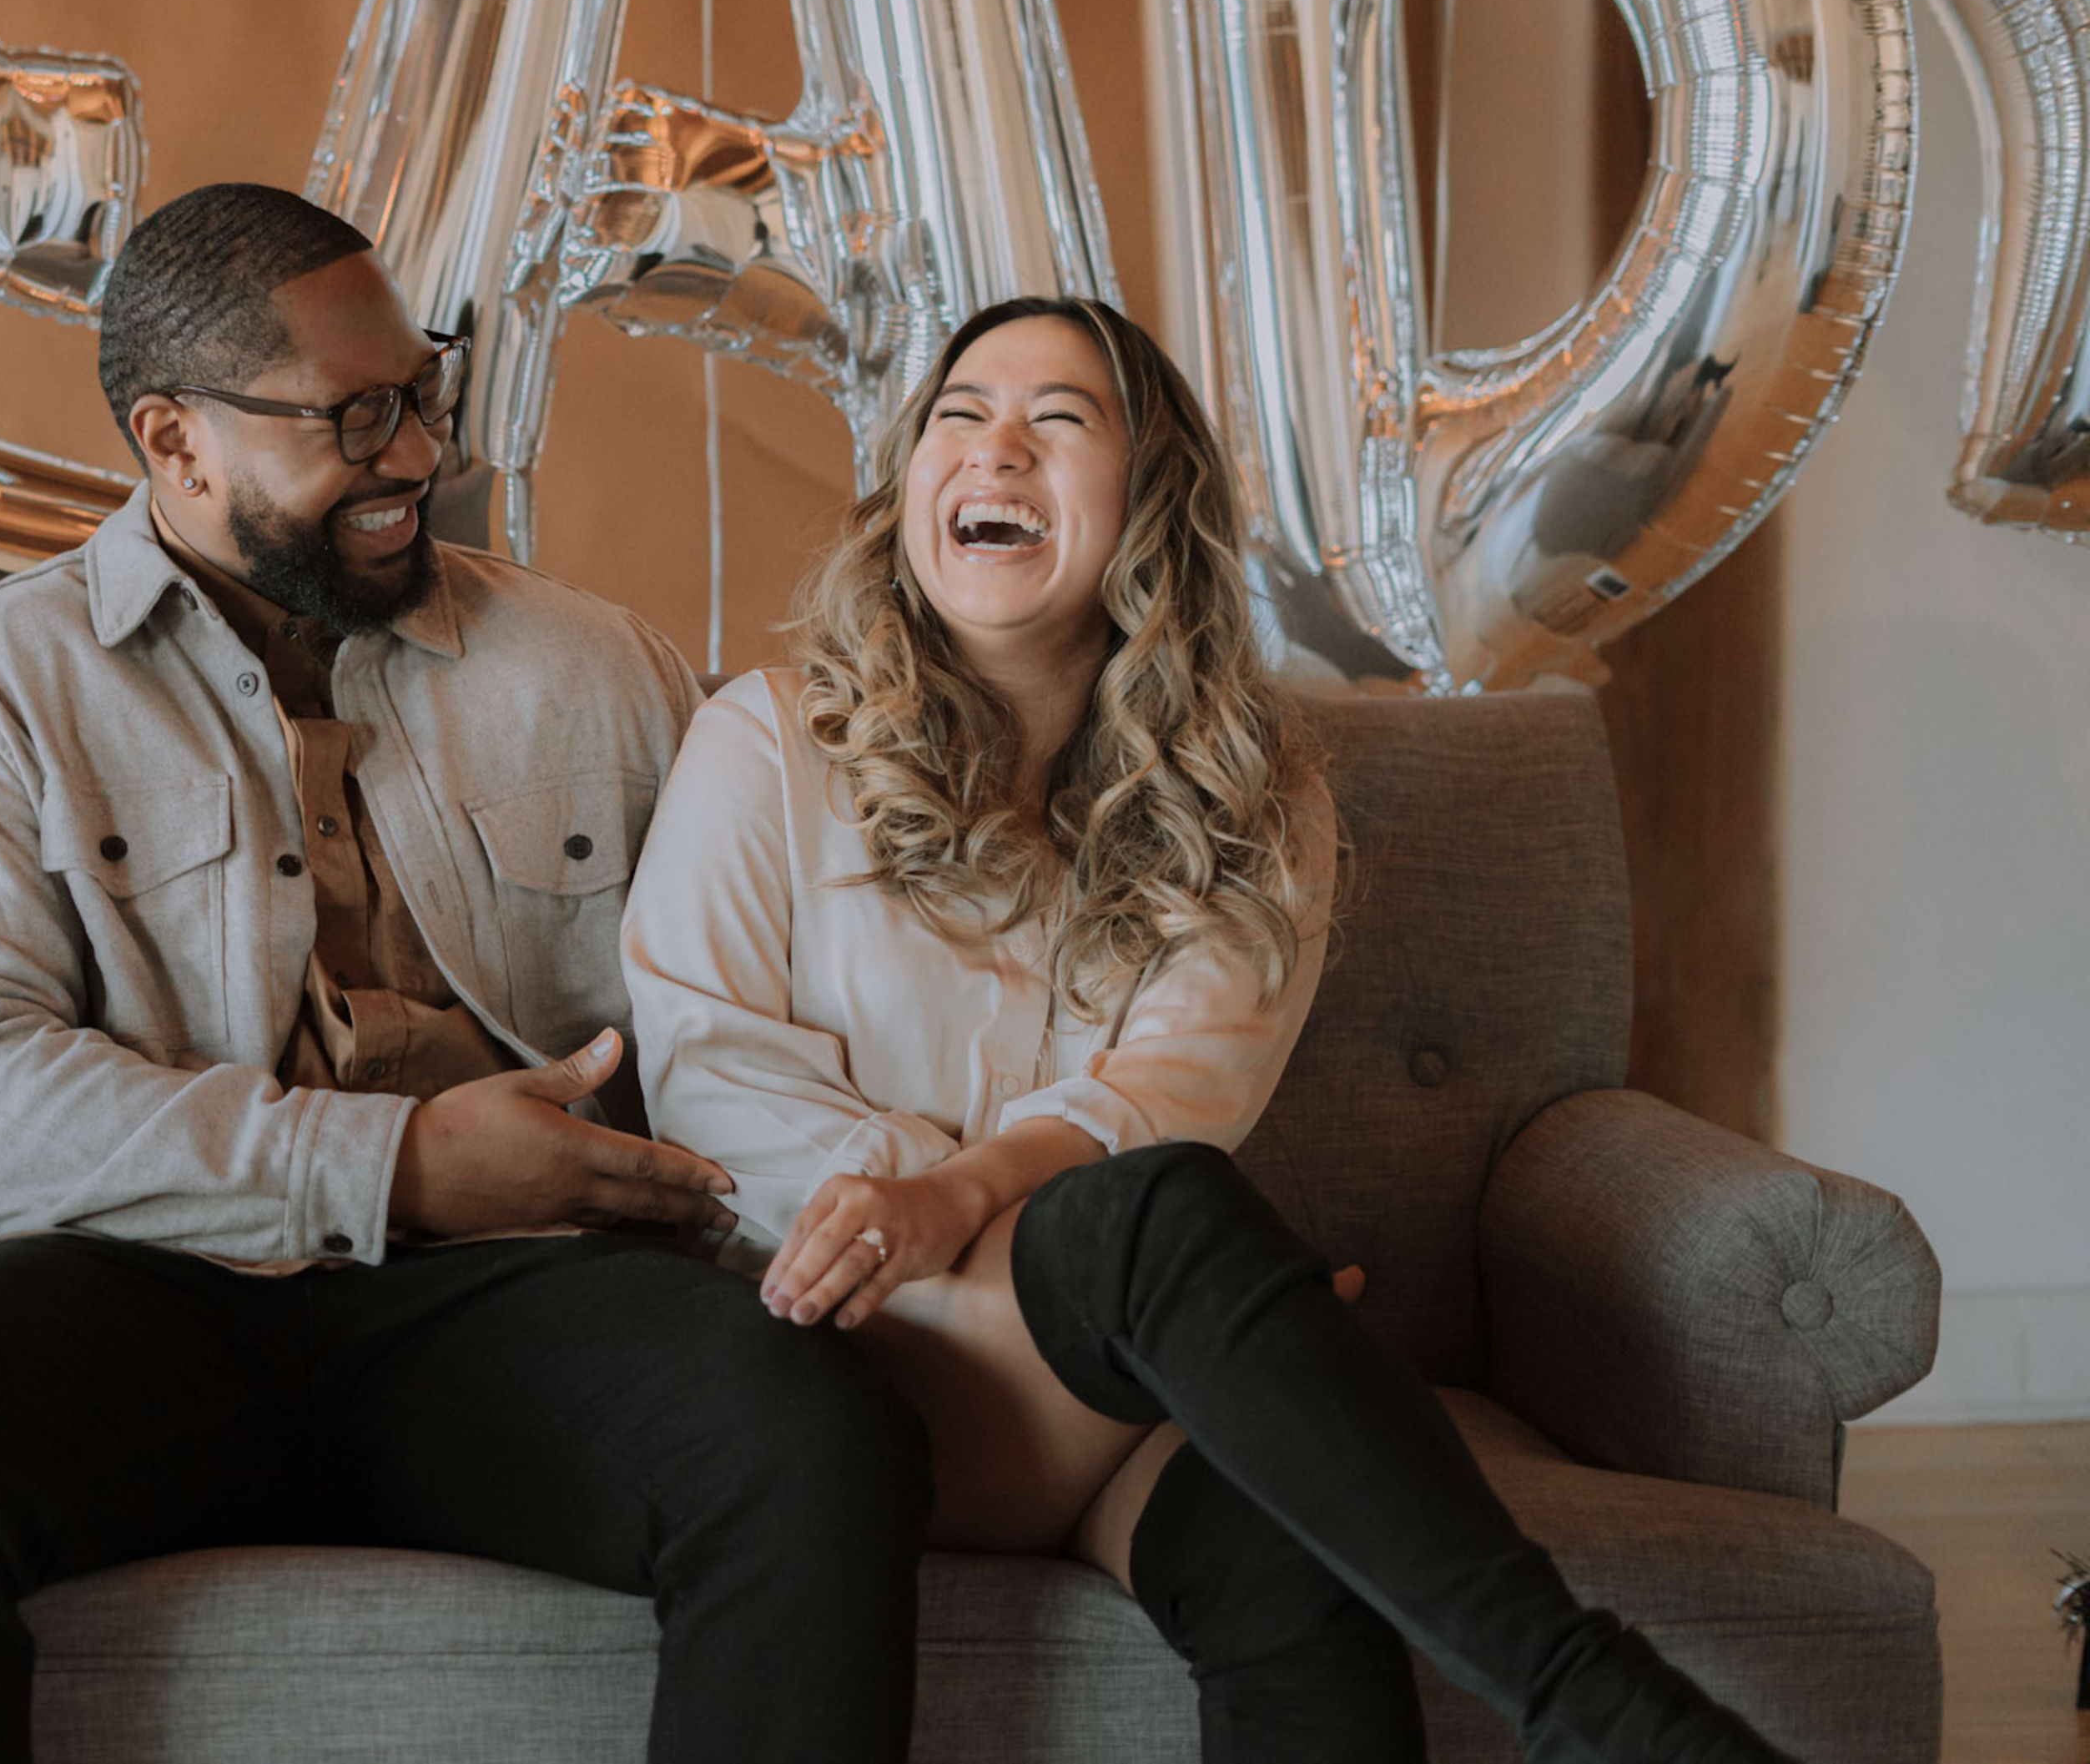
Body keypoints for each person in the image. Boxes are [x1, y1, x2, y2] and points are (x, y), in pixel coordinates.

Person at [0, 183, 932, 1764]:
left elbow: (776, 999)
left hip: (534, 1298)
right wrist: (400, 1163)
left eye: (423, 393)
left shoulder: (603, 666)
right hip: (150, 1283)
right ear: (176, 443)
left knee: (815, 1431)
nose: (419, 456)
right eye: (356, 418)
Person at [626, 295, 1791, 1761]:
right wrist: (1213, 1309)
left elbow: (1183, 1085)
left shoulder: (1255, 793)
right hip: (855, 1378)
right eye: (958, 414)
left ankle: (1261, 1379)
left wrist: (1053, 1240)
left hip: (1112, 1403)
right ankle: (1599, 1706)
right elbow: (713, 1079)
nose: (994, 448)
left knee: (1297, 1551)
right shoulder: (769, 739)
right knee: (1162, 1233)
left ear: (1151, 499)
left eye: (1057, 421)